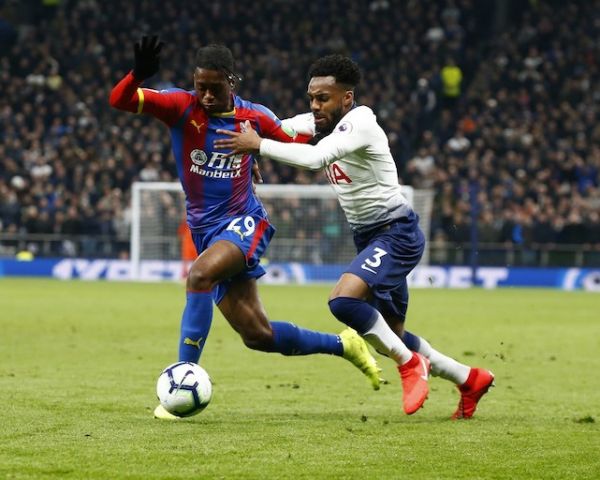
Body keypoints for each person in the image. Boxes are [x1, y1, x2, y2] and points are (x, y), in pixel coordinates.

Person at [109, 38, 381, 419]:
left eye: (214, 88)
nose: (204, 95)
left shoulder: (255, 118)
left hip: (245, 221)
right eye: (199, 86)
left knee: (199, 274)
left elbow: (295, 143)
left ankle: (182, 376)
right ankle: (344, 345)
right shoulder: (179, 106)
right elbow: (119, 100)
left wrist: (280, 143)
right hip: (206, 231)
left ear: (231, 82)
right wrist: (138, 74)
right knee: (258, 335)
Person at [215, 54, 494, 418]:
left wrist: (258, 148)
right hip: (370, 238)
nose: (315, 106)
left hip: (396, 234)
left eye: (323, 98)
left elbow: (315, 159)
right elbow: (276, 127)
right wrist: (250, 150)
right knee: (390, 335)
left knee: (343, 302)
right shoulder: (320, 121)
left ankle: (411, 366)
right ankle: (469, 378)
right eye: (312, 98)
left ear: (346, 98)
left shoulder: (360, 122)